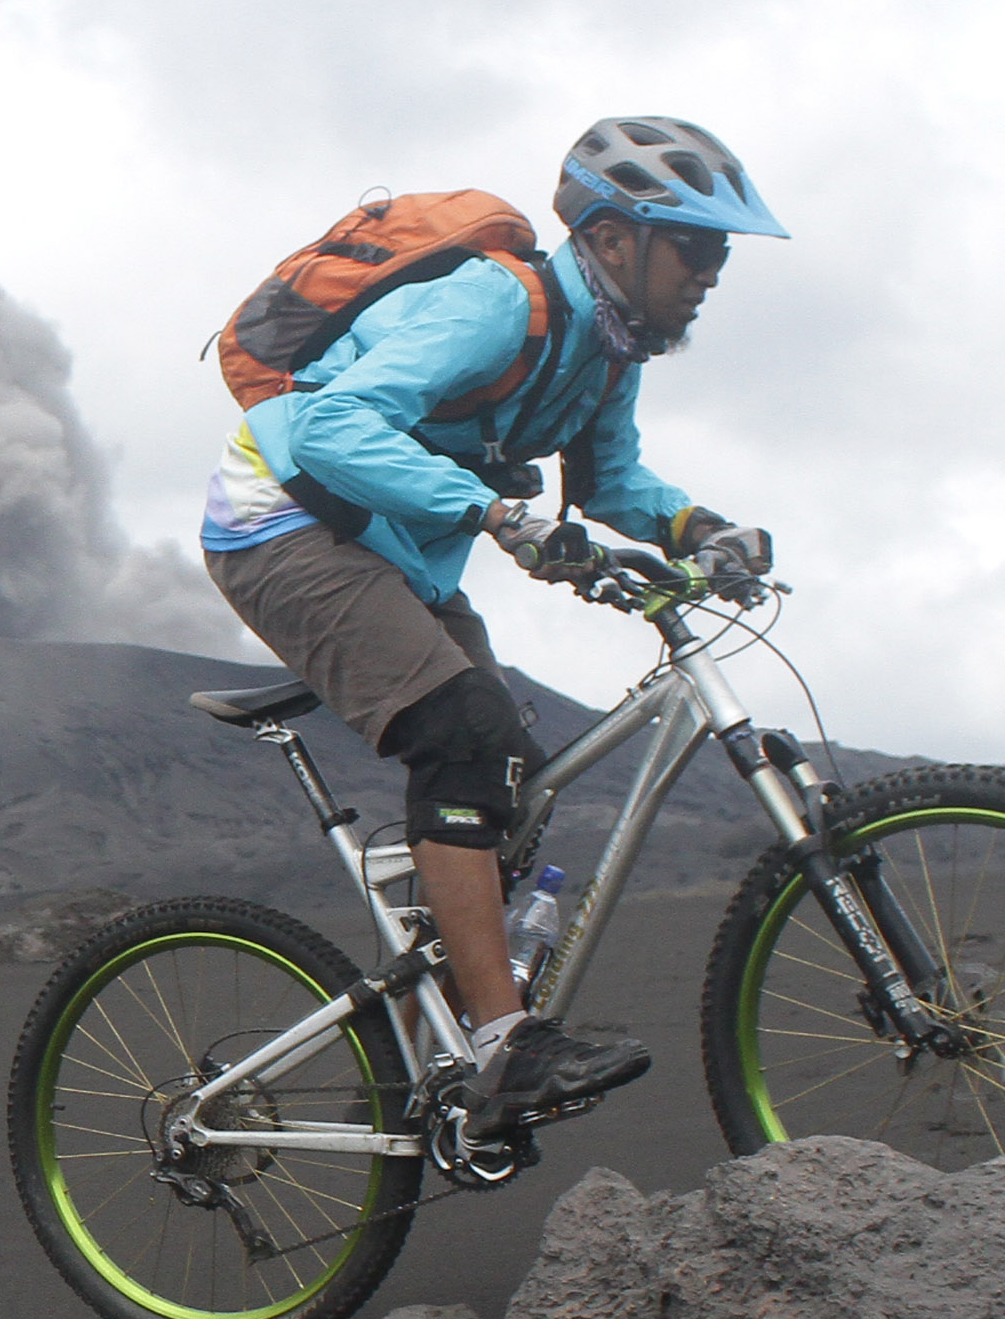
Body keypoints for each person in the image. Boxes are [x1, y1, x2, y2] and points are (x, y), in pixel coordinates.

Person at [202, 115, 786, 1141]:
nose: (709, 274)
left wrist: (700, 529)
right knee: (462, 734)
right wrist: (498, 515)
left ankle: (423, 1050)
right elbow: (334, 423)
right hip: (279, 518)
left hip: (388, 547)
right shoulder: (495, 302)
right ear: (612, 239)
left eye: (721, 254)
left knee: (507, 771)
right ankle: (503, 1043)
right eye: (694, 246)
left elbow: (610, 481)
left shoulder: (608, 353)